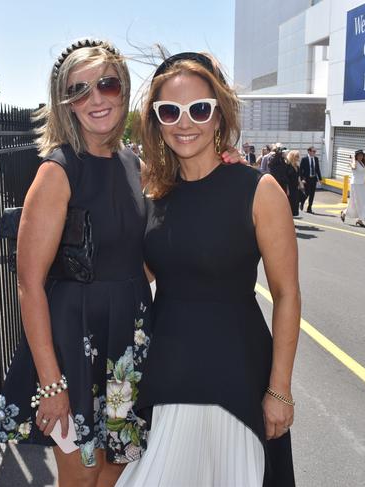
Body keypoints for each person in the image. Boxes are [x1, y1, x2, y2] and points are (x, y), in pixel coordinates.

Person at [116, 52, 299, 486]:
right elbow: (138, 279)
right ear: (157, 121)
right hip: (166, 373)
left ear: (218, 114)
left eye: (199, 109)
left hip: (236, 374)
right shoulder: (154, 193)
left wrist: (279, 389)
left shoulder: (260, 189)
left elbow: (288, 294)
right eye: (170, 111)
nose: (185, 122)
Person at [0, 39, 154, 487]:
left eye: (106, 84)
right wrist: (51, 382)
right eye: (79, 90)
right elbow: (28, 284)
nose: (95, 98)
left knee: (115, 469)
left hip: (126, 340)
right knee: (81, 474)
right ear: (66, 104)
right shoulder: (57, 170)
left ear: (123, 88)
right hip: (74, 346)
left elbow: (141, 258)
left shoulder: (132, 165)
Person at [299, 146, 322, 213]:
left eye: (315, 151)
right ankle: (302, 202)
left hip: (313, 179)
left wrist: (320, 179)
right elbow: (300, 170)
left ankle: (309, 208)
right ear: (309, 151)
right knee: (307, 193)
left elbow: (317, 169)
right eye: (313, 151)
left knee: (312, 194)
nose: (314, 153)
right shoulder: (304, 159)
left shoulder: (316, 159)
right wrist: (302, 179)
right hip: (307, 179)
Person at [286, 150, 303, 216]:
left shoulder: (297, 167)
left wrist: (301, 185)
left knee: (295, 203)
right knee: (290, 203)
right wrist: (287, 189)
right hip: (290, 187)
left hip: (296, 188)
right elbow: (286, 178)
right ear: (292, 157)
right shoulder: (288, 166)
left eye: (298, 156)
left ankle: (292, 218)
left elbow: (298, 177)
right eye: (297, 156)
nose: (298, 158)